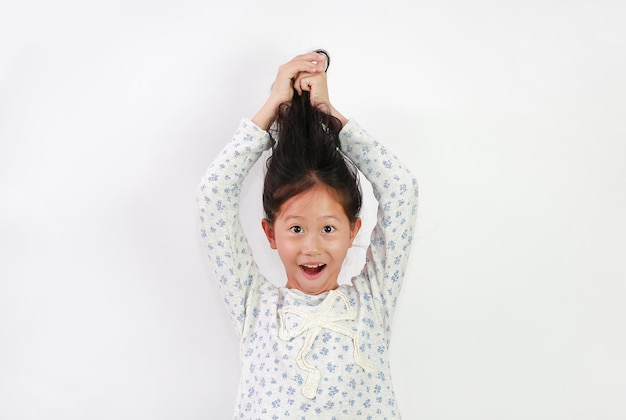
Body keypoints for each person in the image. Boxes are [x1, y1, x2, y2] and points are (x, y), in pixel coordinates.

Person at [197, 51, 418, 418]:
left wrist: (330, 115)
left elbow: (402, 190)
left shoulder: (371, 304)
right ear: (270, 233)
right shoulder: (255, 307)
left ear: (353, 231)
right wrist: (272, 107)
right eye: (296, 228)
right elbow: (213, 196)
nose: (312, 247)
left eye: (329, 228)